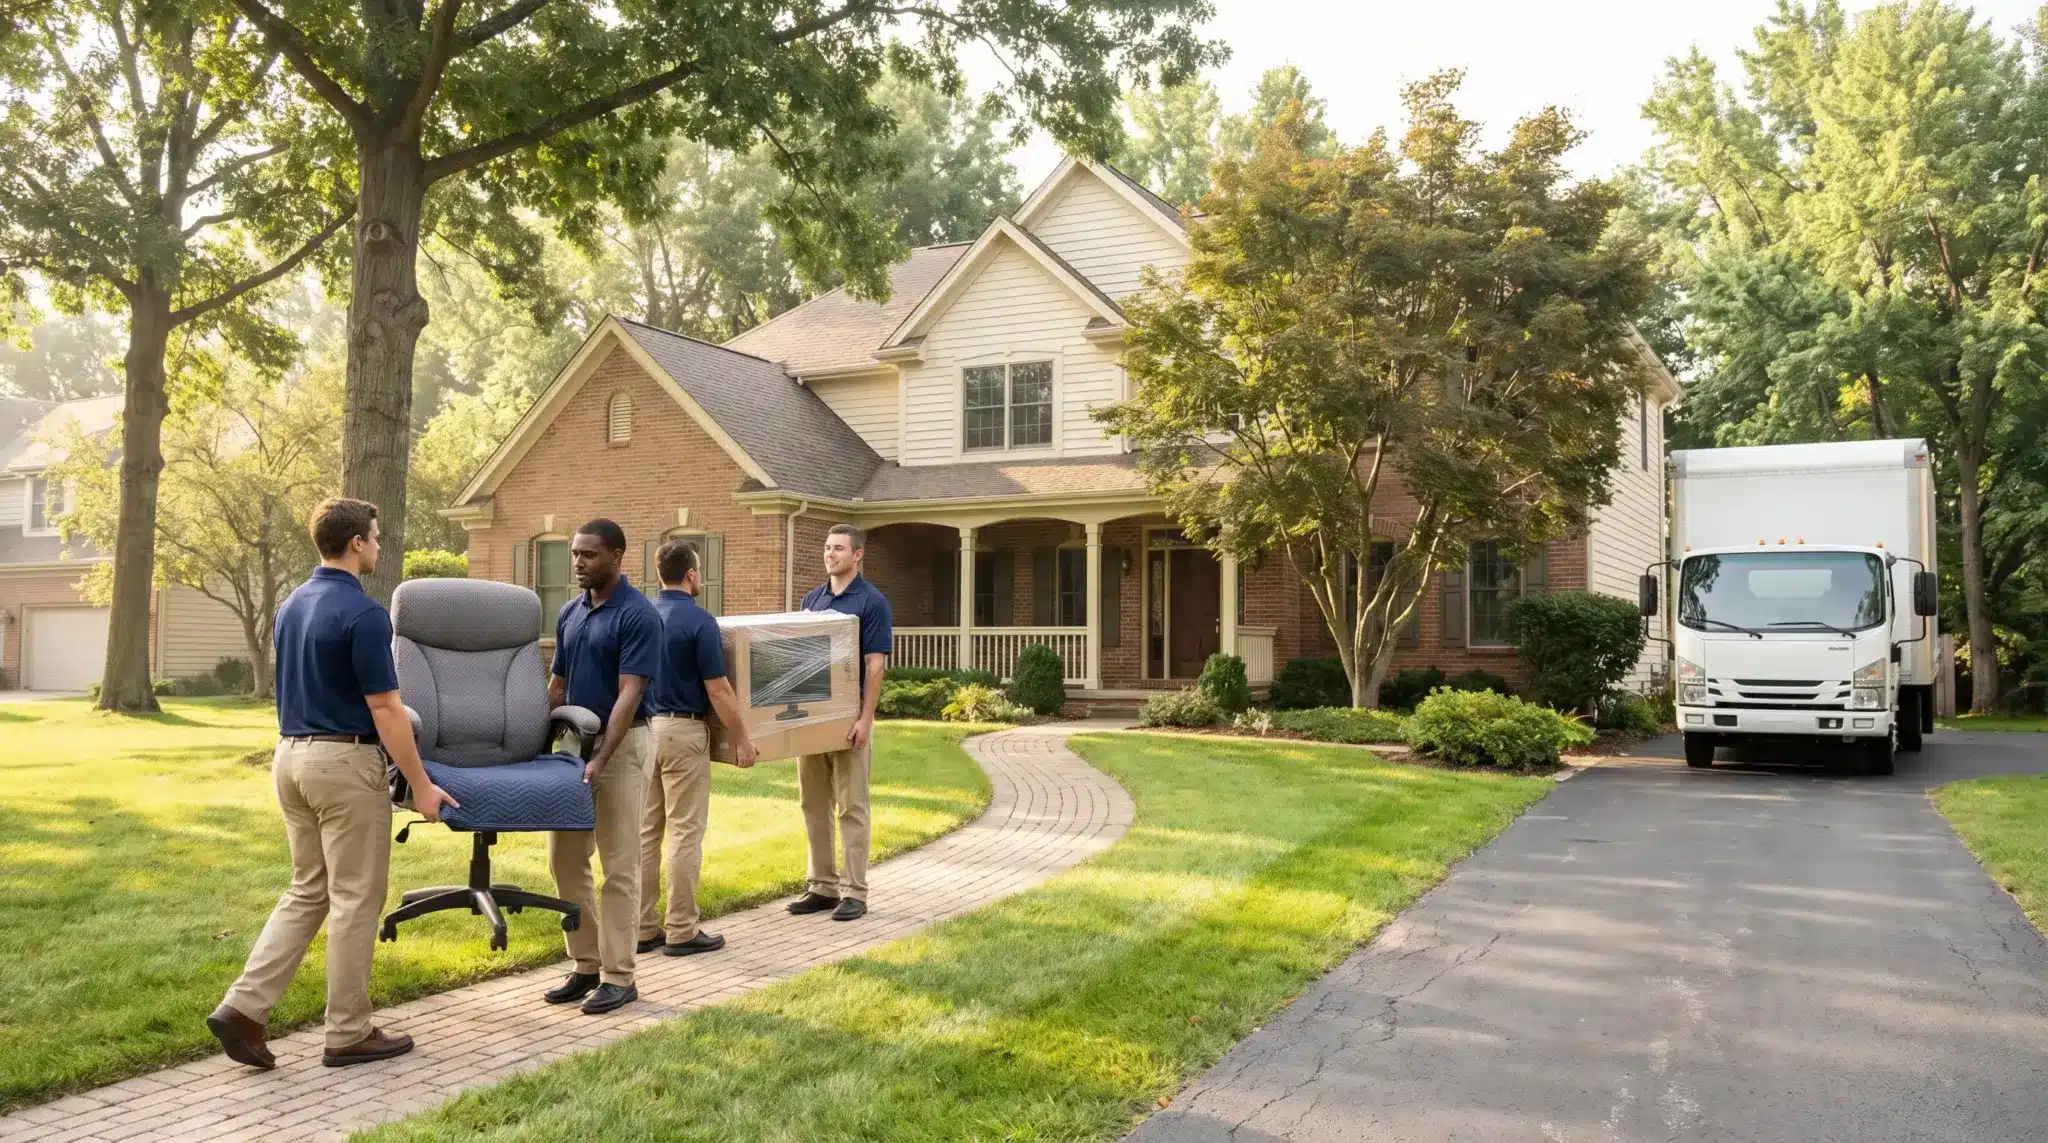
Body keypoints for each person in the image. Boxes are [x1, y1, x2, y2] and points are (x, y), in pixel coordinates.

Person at [208, 498, 456, 1069]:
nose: (378, 543)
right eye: (374, 535)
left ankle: (243, 1008)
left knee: (308, 889)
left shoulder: (293, 604)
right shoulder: (365, 615)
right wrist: (420, 784)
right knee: (354, 900)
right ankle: (347, 1032)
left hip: (290, 758)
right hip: (343, 765)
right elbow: (387, 709)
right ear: (356, 544)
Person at [543, 519, 659, 1015]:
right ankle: (585, 963)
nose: (578, 562)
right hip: (572, 749)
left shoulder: (638, 616)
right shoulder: (570, 612)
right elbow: (556, 688)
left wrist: (600, 759)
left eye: (588, 555)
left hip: (623, 748)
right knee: (565, 861)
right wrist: (540, 750)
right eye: (574, 554)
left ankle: (619, 975)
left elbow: (629, 695)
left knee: (619, 866)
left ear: (616, 556)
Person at [636, 539, 760, 957]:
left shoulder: (640, 616)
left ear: (659, 572)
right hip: (683, 732)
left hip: (642, 732)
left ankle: (642, 928)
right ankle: (682, 930)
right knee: (685, 833)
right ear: (691, 574)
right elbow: (720, 691)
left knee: (646, 833)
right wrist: (742, 738)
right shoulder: (700, 621)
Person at [786, 523, 892, 923]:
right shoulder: (811, 600)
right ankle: (822, 886)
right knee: (813, 803)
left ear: (857, 555)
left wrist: (866, 719)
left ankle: (854, 891)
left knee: (852, 805)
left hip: (849, 720)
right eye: (828, 548)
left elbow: (875, 665)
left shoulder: (872, 602)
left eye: (839, 549)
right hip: (812, 719)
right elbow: (799, 662)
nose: (831, 554)